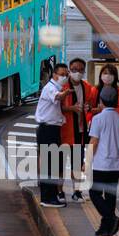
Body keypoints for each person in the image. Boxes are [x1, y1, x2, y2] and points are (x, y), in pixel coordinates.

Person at [87, 79, 119, 236]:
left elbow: (94, 142)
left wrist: (87, 160)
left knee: (94, 193)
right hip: (115, 165)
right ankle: (107, 228)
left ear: (101, 101)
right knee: (110, 195)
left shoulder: (98, 119)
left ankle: (111, 218)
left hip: (101, 164)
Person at [58, 58, 97, 202]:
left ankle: (77, 192)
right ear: (69, 69)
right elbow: (55, 107)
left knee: (77, 163)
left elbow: (91, 105)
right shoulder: (62, 86)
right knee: (60, 164)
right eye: (74, 69)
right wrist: (71, 108)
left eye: (80, 70)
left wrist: (88, 108)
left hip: (79, 131)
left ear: (84, 71)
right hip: (63, 131)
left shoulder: (87, 87)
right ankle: (60, 192)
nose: (77, 72)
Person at [35, 63, 69, 207]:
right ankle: (48, 198)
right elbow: (58, 97)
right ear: (54, 75)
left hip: (51, 130)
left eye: (66, 74)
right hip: (47, 130)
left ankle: (50, 196)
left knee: (52, 164)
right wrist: (66, 93)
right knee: (50, 164)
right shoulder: (50, 88)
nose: (64, 77)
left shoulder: (55, 87)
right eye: (62, 74)